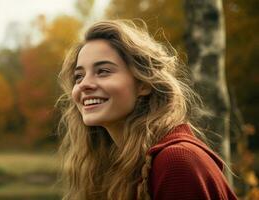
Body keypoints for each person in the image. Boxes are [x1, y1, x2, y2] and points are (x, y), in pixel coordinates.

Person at [56, 19, 238, 200]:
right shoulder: (112, 167)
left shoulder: (177, 162)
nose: (84, 85)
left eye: (103, 71)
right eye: (79, 76)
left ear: (143, 84)